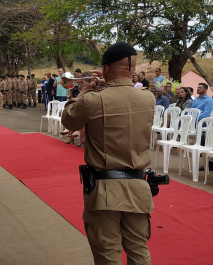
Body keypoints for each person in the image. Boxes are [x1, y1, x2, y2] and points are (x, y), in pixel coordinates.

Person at [61, 42, 154, 265]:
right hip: (139, 188)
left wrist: (82, 91)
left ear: (106, 68)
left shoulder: (93, 99)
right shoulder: (148, 98)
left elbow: (69, 121)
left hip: (104, 191)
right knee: (139, 251)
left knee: (108, 254)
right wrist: (110, 84)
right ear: (132, 69)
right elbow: (122, 97)